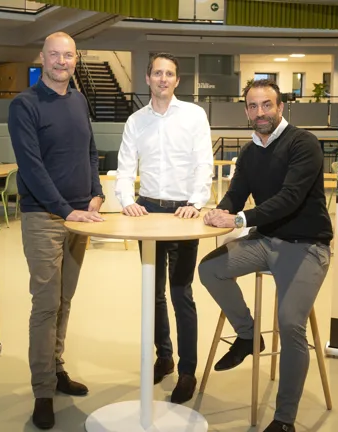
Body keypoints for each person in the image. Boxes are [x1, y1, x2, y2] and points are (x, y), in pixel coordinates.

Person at [198, 79, 333, 432]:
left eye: (267, 105)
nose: (260, 112)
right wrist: (221, 210)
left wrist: (238, 219)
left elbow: (290, 198)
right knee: (210, 270)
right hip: (265, 240)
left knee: (289, 324)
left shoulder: (303, 143)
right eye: (253, 106)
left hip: (307, 245)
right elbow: (237, 194)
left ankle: (284, 420)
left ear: (280, 107)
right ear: (246, 111)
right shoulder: (248, 152)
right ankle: (248, 335)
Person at [8, 31, 105, 430]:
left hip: (80, 215)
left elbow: (90, 151)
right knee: (46, 304)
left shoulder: (79, 100)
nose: (62, 61)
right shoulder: (24, 105)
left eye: (68, 55)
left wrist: (96, 193)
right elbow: (31, 167)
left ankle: (57, 367)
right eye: (54, 54)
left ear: (75, 59)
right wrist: (66, 210)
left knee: (65, 300)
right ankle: (43, 391)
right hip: (44, 218)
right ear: (42, 57)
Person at [115, 52, 214, 404]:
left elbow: (204, 163)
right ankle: (165, 357)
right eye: (157, 73)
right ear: (147, 78)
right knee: (153, 292)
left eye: (169, 74)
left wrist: (196, 202)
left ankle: (187, 371)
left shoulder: (194, 115)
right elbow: (125, 167)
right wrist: (127, 199)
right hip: (149, 211)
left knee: (181, 292)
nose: (163, 79)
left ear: (177, 80)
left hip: (184, 213)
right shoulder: (136, 121)